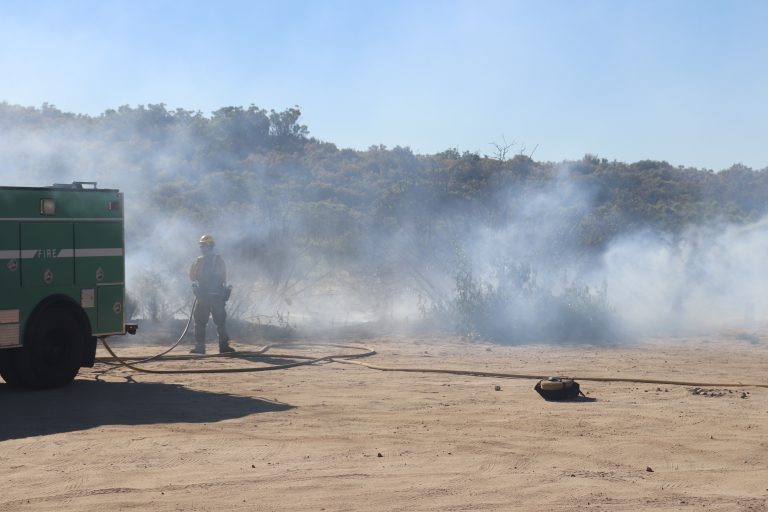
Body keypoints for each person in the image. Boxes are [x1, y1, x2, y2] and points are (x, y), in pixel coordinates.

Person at [189, 234, 235, 354]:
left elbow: (193, 277)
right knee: (202, 322)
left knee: (218, 322)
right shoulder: (208, 261)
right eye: (201, 245)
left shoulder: (202, 261)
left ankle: (220, 347)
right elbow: (193, 277)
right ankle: (203, 347)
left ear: (210, 246)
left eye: (204, 245)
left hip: (210, 296)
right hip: (211, 296)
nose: (202, 247)